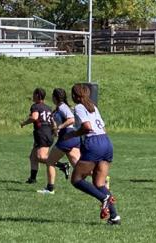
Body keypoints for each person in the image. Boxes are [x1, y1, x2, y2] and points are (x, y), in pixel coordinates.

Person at [64, 83, 120, 225]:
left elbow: (87, 128)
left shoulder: (79, 107)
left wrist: (72, 135)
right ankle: (114, 217)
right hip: (106, 142)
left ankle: (104, 199)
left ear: (75, 96)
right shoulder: (93, 106)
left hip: (94, 142)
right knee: (99, 183)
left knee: (76, 179)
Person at [37, 88, 80, 194]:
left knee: (50, 161)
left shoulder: (62, 107)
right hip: (73, 138)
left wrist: (59, 127)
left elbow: (71, 119)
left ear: (55, 97)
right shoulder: (59, 108)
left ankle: (50, 188)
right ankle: (102, 179)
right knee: (79, 166)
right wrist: (55, 128)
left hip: (67, 138)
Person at [21, 88, 55, 184]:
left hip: (42, 133)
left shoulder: (35, 106)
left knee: (41, 157)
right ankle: (32, 178)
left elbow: (35, 117)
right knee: (33, 157)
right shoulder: (48, 107)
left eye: (34, 94)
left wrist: (24, 123)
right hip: (48, 132)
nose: (32, 96)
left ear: (37, 95)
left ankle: (61, 165)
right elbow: (52, 121)